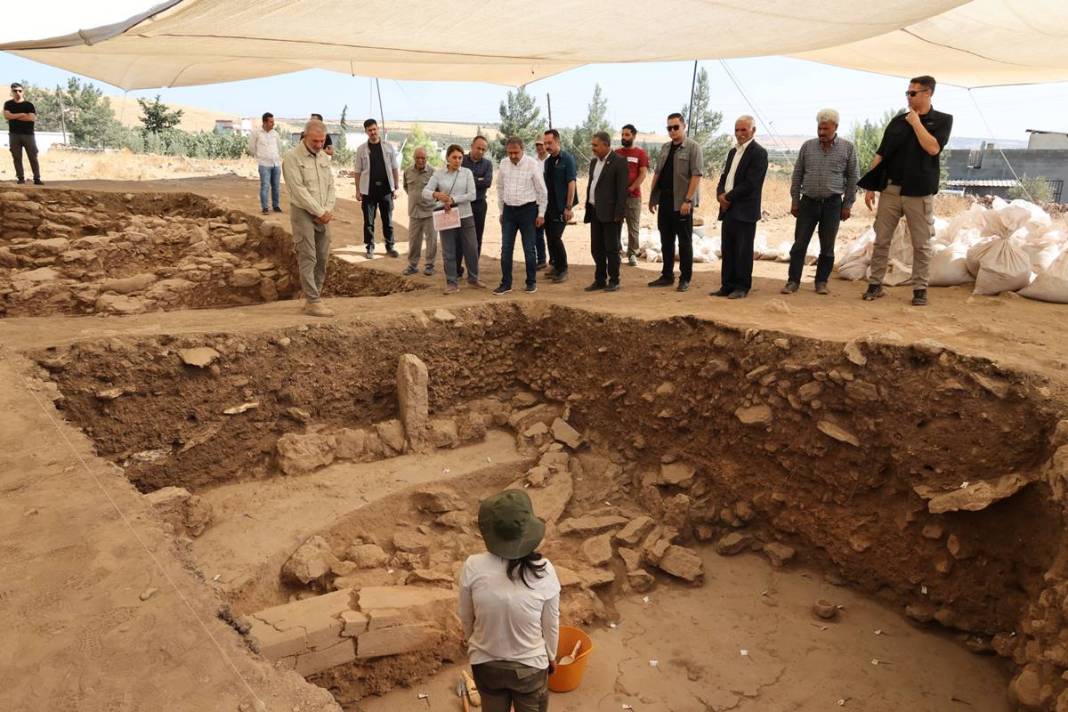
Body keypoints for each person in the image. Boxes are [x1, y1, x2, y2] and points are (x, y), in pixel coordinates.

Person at [459, 489, 560, 712]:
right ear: (528, 532)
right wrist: (551, 656)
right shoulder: (544, 571)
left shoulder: (472, 566)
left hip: (486, 666)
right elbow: (551, 624)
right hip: (530, 668)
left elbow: (466, 617)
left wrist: (476, 645)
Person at [861, 75, 953, 307]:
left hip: (919, 192)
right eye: (907, 93)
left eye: (913, 93)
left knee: (921, 243)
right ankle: (875, 284)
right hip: (891, 189)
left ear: (928, 93)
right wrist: (871, 186)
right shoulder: (897, 121)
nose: (909, 97)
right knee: (881, 240)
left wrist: (916, 123)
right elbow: (881, 153)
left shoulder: (942, 120)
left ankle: (920, 289)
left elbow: (933, 148)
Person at [782, 108, 858, 295]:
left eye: (825, 129)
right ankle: (793, 282)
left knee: (828, 247)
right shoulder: (807, 147)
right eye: (819, 128)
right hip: (808, 203)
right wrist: (795, 200)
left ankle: (821, 282)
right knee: (799, 245)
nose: (821, 132)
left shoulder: (847, 148)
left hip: (833, 204)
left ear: (835, 127)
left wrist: (847, 205)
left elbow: (853, 178)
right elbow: (797, 175)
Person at [281, 119, 336, 317]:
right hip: (303, 212)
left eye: (322, 141)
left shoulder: (323, 158)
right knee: (308, 256)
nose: (320, 145)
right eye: (315, 141)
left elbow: (331, 185)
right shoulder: (292, 158)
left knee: (322, 257)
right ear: (305, 137)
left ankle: (315, 297)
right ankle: (313, 301)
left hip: (323, 214)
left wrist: (327, 210)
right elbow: (298, 191)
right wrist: (319, 212)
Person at [713, 116, 769, 299]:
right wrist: (720, 194)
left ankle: (741, 287)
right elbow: (725, 177)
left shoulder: (758, 153)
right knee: (728, 248)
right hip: (728, 208)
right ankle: (727, 285)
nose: (739, 134)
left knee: (743, 250)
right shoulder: (732, 152)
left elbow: (751, 184)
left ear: (753, 130)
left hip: (744, 209)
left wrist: (728, 197)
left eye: (743, 130)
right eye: (736, 130)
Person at [648, 113, 702, 292]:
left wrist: (688, 200)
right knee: (666, 239)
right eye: (669, 128)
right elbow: (657, 173)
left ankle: (685, 278)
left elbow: (696, 175)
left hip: (682, 202)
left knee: (684, 242)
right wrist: (652, 197)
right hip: (665, 199)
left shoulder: (693, 148)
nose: (672, 131)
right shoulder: (665, 148)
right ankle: (667, 275)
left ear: (684, 126)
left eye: (675, 127)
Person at [423, 144, 484, 294]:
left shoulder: (467, 173)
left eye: (460, 158)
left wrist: (453, 199)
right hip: (446, 216)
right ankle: (451, 282)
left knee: (471, 248)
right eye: (454, 157)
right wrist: (436, 195)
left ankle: (473, 278)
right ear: (447, 158)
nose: (457, 160)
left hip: (465, 215)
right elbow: (425, 192)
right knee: (448, 250)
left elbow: (472, 195)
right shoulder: (438, 174)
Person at [494, 137, 547, 296]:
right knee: (506, 249)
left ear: (522, 150)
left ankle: (531, 282)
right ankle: (506, 283)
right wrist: (502, 211)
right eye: (510, 153)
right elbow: (500, 188)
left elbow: (542, 191)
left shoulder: (532, 164)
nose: (513, 156)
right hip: (509, 212)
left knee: (529, 248)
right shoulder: (504, 164)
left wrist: (541, 214)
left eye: (516, 152)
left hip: (528, 211)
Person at [584, 131, 629, 292]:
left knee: (611, 248)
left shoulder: (619, 162)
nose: (592, 148)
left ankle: (614, 280)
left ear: (606, 145)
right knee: (596, 248)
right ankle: (600, 279)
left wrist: (619, 214)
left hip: (611, 214)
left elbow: (622, 191)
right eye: (592, 145)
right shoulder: (594, 163)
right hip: (595, 211)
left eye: (595, 145)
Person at [354, 118, 400, 259]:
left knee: (388, 220)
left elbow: (394, 167)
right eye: (370, 130)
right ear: (366, 132)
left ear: (378, 129)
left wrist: (396, 187)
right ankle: (370, 247)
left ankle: (390, 246)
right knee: (369, 221)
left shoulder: (388, 147)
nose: (373, 132)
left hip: (386, 190)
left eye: (374, 129)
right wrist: (357, 190)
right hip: (368, 191)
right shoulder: (361, 149)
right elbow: (357, 171)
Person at [541, 129, 577, 284]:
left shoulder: (567, 159)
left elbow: (571, 183)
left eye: (550, 143)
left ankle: (563, 269)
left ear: (557, 141)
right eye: (545, 143)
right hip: (549, 206)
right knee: (549, 237)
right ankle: (555, 265)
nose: (547, 146)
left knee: (556, 237)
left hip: (562, 206)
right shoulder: (548, 162)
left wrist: (568, 207)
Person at [460, 135, 494, 278]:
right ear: (472, 146)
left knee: (476, 238)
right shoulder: (461, 160)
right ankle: (456, 268)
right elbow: (457, 181)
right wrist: (476, 179)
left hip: (479, 205)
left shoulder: (487, 164)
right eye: (478, 147)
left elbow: (487, 183)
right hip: (461, 205)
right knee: (459, 237)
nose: (480, 151)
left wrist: (468, 179)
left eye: (483, 149)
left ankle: (472, 270)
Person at [616, 124, 649, 267]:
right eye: (622, 135)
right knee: (616, 225)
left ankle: (632, 254)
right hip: (617, 197)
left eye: (627, 135)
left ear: (634, 136)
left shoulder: (640, 154)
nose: (624, 137)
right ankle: (617, 252)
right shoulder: (616, 153)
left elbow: (643, 174)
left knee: (633, 227)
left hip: (633, 197)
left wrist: (631, 188)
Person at [402, 147, 438, 276]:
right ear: (414, 158)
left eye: (423, 158)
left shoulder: (434, 173)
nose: (421, 160)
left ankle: (429, 265)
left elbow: (439, 191)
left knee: (431, 240)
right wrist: (415, 198)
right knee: (414, 240)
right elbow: (406, 187)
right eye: (418, 158)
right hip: (414, 212)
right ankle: (412, 265)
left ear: (427, 158)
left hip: (430, 212)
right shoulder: (407, 172)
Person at [4, 83, 42, 185]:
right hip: (14, 135)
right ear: (12, 92)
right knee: (16, 157)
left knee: (33, 157)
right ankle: (20, 178)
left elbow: (31, 118)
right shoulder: (8, 104)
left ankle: (37, 178)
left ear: (23, 91)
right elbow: (7, 116)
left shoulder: (29, 105)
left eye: (20, 91)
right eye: (15, 91)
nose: (18, 93)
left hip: (28, 135)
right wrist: (21, 114)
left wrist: (14, 116)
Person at [249, 112, 282, 215]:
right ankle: (265, 208)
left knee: (276, 186)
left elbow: (279, 147)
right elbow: (251, 148)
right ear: (265, 122)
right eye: (271, 122)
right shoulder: (256, 133)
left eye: (273, 121)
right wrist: (259, 157)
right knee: (265, 186)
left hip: (276, 164)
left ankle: (276, 206)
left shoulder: (275, 134)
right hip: (264, 164)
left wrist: (277, 157)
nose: (273, 123)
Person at [533, 137, 550, 269]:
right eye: (537, 145)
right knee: (537, 231)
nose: (539, 147)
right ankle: (541, 259)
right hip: (537, 201)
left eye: (541, 144)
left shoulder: (551, 160)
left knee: (551, 233)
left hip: (551, 202)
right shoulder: (533, 162)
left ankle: (554, 260)